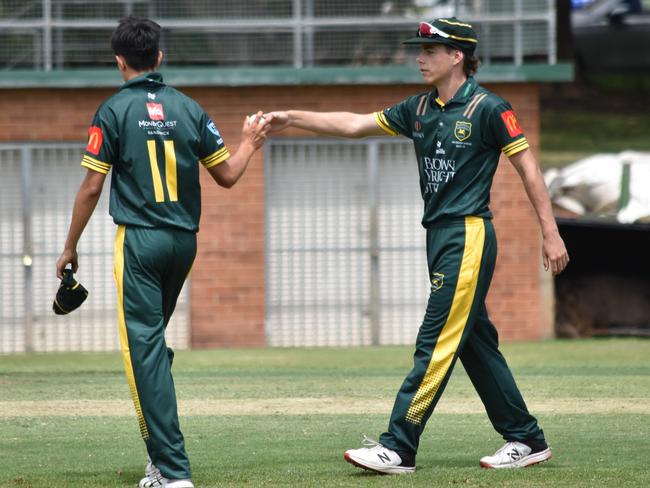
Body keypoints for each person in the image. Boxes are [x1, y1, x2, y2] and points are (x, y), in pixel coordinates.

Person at [264, 17, 569, 474]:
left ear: (457, 56)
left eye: (429, 51)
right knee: (473, 344)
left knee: (435, 342)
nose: (419, 58)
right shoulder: (420, 108)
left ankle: (398, 445)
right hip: (439, 237)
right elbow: (353, 125)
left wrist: (551, 231)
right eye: (419, 50)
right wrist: (292, 118)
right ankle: (526, 437)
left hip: (468, 235)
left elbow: (527, 168)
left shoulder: (488, 107)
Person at [55, 16, 269, 488]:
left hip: (139, 241)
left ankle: (172, 472)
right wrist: (250, 142)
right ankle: (161, 459)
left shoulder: (111, 111)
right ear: (159, 57)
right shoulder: (189, 109)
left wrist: (69, 246)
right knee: (153, 349)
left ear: (119, 60)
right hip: (183, 244)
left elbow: (92, 186)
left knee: (143, 353)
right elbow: (229, 175)